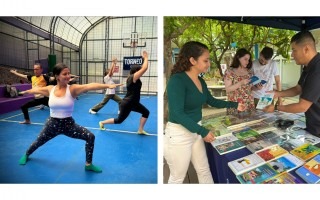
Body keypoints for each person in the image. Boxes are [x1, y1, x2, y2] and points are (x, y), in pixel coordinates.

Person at [164, 41, 246, 184]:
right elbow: (177, 113)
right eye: (205, 60)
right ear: (192, 60)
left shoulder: (200, 81)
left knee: (204, 170)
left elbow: (212, 101)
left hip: (195, 131)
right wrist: (202, 131)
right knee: (177, 177)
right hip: (179, 134)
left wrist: (235, 105)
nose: (208, 64)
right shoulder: (177, 81)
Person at [18, 63, 122, 173]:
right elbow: (36, 90)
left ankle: (88, 164)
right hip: (52, 125)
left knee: (90, 137)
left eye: (69, 73)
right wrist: (25, 92)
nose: (68, 76)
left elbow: (89, 85)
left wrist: (107, 86)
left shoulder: (72, 89)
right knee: (38, 142)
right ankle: (26, 154)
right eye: (65, 74)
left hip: (68, 125)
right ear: (57, 76)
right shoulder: (50, 89)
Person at [264, 31, 320, 137]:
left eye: (294, 50)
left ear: (306, 49)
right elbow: (298, 89)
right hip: (313, 125)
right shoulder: (308, 66)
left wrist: (276, 108)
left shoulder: (317, 69)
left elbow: (302, 106)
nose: (292, 55)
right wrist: (277, 94)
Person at [99, 51, 150, 135]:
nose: (141, 72)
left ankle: (140, 130)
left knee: (146, 112)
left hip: (134, 103)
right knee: (119, 120)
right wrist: (146, 57)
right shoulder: (133, 77)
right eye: (139, 71)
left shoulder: (133, 78)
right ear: (136, 71)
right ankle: (102, 123)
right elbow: (144, 68)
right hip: (128, 103)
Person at [223, 48, 256, 115]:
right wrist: (241, 83)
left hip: (249, 104)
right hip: (236, 105)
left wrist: (257, 87)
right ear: (238, 57)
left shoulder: (249, 72)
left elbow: (250, 89)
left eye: (248, 60)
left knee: (249, 124)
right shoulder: (230, 72)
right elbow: (228, 89)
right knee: (235, 124)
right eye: (245, 59)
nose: (247, 62)